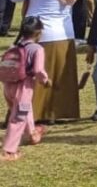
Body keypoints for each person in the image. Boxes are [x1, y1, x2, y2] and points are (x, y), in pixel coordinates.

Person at [7, 0, 80, 123]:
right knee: (59, 75)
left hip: (41, 34)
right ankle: (57, 112)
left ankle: (36, 113)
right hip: (65, 34)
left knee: (37, 75)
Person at [2, 16, 50, 160]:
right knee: (18, 117)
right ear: (38, 32)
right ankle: (8, 150)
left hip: (8, 86)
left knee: (24, 110)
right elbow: (38, 70)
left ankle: (32, 134)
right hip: (23, 87)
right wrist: (45, 80)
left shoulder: (14, 46)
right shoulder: (37, 49)